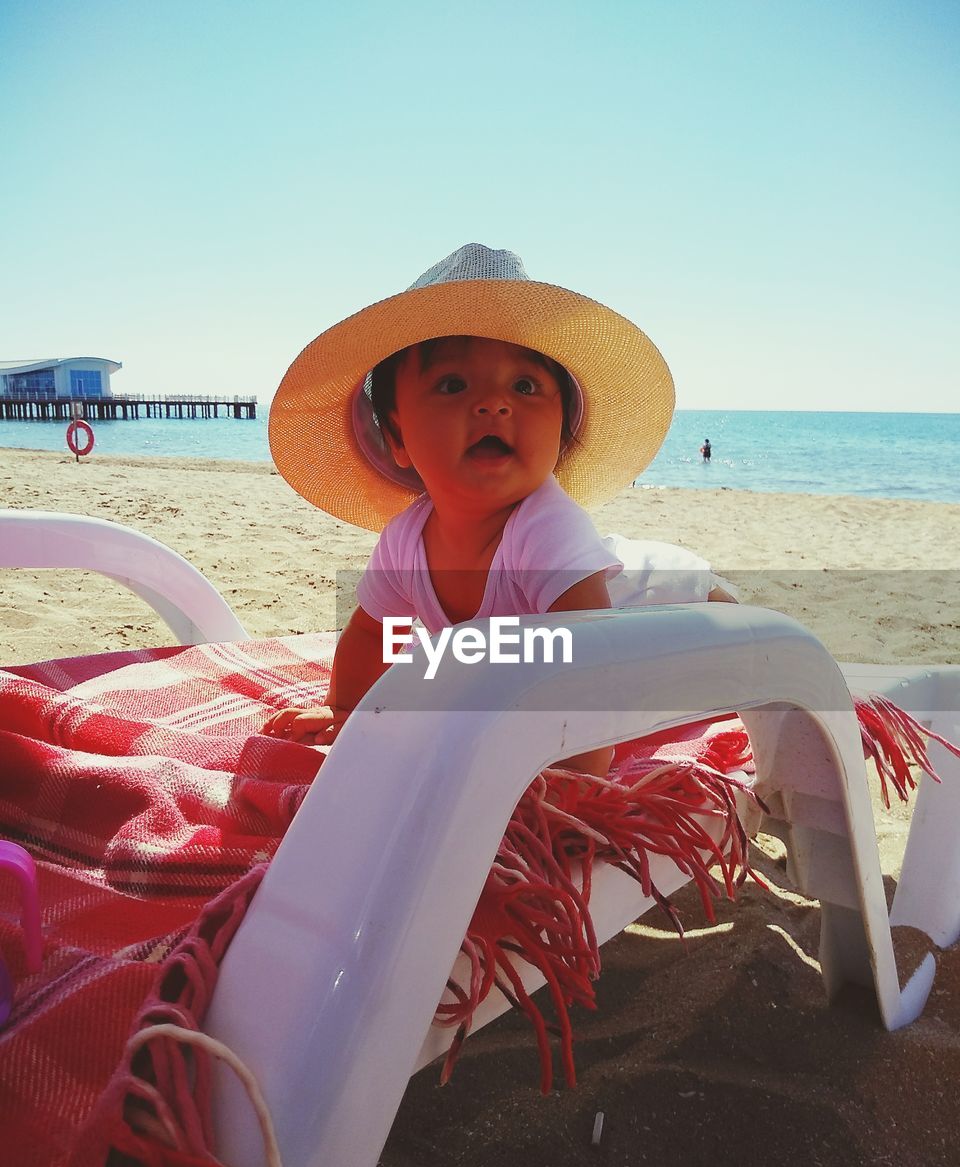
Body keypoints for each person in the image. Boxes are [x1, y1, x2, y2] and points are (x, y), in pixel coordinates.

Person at [263, 243, 729, 775]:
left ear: (562, 431)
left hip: (661, 606)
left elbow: (589, 670)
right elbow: (376, 634)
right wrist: (349, 711)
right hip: (563, 635)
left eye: (525, 386)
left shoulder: (547, 531)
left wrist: (577, 782)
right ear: (396, 436)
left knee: (741, 649)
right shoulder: (405, 541)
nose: (494, 403)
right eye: (453, 384)